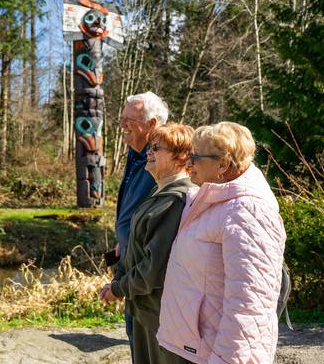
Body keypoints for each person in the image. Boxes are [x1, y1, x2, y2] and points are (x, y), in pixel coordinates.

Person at [157, 122, 286, 364]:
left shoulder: (247, 212)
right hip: (195, 348)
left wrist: (226, 360)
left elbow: (250, 302)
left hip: (216, 355)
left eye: (195, 156)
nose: (188, 162)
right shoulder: (212, 199)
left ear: (223, 164)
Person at [101, 123, 196, 364]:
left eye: (156, 148)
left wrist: (118, 289)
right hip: (143, 309)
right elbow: (137, 248)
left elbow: (153, 269)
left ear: (182, 156)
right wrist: (119, 278)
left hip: (161, 316)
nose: (148, 152)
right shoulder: (159, 193)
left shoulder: (177, 200)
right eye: (150, 147)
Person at [111, 91, 169, 357]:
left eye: (129, 120)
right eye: (122, 118)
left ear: (153, 124)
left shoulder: (162, 160)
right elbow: (133, 209)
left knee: (151, 347)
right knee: (135, 339)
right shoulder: (136, 155)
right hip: (130, 260)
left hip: (148, 276)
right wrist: (122, 240)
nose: (122, 125)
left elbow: (161, 218)